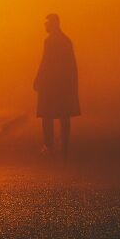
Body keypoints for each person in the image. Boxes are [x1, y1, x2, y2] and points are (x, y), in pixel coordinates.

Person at [33, 13, 80, 157]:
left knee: (47, 116)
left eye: (47, 23)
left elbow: (45, 62)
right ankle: (64, 146)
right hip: (63, 84)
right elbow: (72, 65)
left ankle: (49, 145)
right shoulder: (66, 41)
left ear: (53, 24)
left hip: (50, 84)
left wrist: (38, 80)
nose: (45, 26)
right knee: (64, 116)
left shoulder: (49, 41)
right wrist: (72, 84)